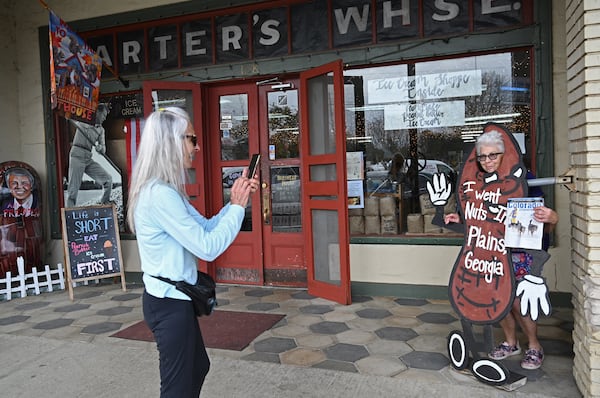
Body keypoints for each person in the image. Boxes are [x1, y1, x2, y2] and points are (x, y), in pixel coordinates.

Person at [127, 107, 258, 397]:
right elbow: (207, 247)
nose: (197, 146)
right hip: (168, 304)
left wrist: (236, 200)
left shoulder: (166, 190)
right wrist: (237, 208)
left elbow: (207, 227)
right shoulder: (159, 194)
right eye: (191, 138)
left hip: (176, 299)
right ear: (170, 142)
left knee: (197, 367)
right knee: (178, 389)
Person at [444, 130, 558, 370]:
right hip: (489, 249)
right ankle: (510, 342)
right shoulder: (476, 182)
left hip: (518, 250)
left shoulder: (523, 178)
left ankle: (534, 345)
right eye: (482, 157)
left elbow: (542, 223)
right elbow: (479, 216)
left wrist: (552, 218)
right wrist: (461, 219)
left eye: (493, 155)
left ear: (504, 154)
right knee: (497, 296)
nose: (487, 161)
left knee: (517, 300)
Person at [66, 103, 112, 207]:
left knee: (108, 180)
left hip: (88, 157)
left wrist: (101, 149)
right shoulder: (83, 120)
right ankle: (70, 215)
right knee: (73, 190)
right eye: (104, 115)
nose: (104, 118)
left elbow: (103, 148)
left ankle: (104, 204)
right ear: (98, 113)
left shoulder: (101, 130)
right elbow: (71, 114)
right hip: (77, 155)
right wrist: (67, 114)